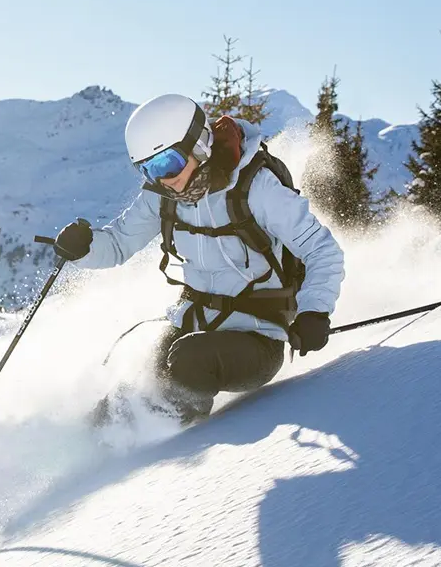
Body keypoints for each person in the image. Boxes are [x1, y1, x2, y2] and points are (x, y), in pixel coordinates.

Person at [54, 93, 346, 426]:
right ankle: (87, 444)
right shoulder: (163, 196)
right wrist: (84, 247)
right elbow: (119, 243)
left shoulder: (256, 188)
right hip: (192, 325)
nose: (164, 177)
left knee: (188, 363)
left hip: (258, 339)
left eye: (168, 163)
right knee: (140, 372)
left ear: (199, 145)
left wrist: (314, 312)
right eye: (149, 169)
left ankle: (157, 451)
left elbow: (321, 250)